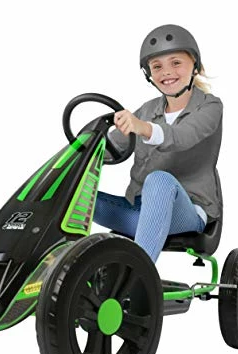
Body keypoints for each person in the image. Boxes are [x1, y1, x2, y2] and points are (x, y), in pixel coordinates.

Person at [93, 24, 223, 263]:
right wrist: (84, 151)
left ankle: (139, 274)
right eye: (157, 66)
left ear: (195, 65)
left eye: (176, 63)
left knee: (159, 179)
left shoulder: (210, 107)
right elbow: (111, 148)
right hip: (137, 210)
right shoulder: (147, 110)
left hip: (187, 212)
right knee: (72, 196)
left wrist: (142, 127)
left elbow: (182, 136)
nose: (167, 72)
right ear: (149, 74)